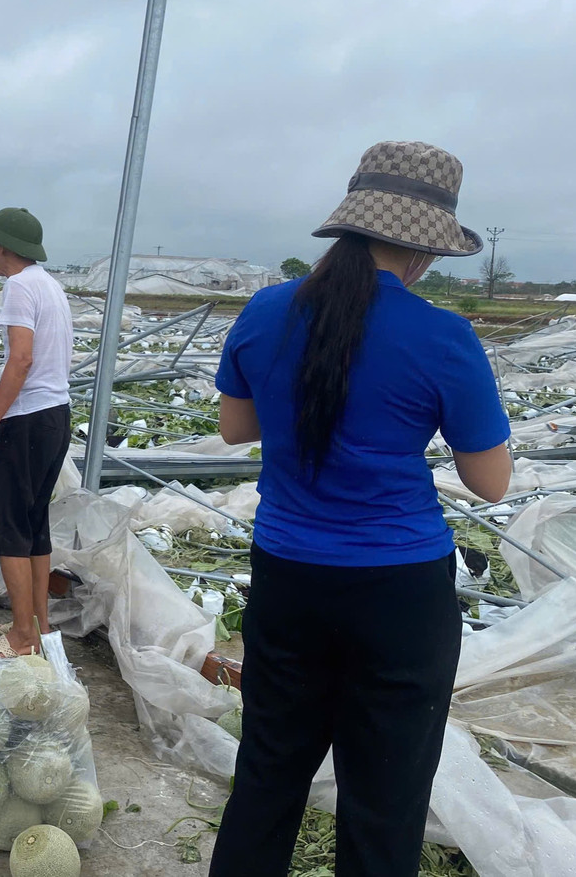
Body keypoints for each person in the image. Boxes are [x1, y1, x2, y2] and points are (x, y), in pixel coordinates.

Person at [206, 142, 512, 877]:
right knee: (384, 804)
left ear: (348, 223)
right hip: (399, 594)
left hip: (287, 579)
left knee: (268, 775)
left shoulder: (267, 310)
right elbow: (491, 482)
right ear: (426, 248)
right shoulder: (444, 337)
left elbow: (235, 427)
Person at [0, 208, 72, 658]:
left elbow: (22, 358)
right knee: (34, 525)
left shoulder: (18, 286)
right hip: (56, 415)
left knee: (9, 527)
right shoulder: (50, 285)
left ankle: (22, 637)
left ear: (3, 247)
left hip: (26, 419)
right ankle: (39, 626)